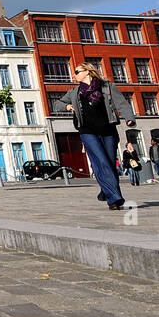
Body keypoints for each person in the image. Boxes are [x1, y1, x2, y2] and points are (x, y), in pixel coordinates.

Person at [60, 62, 136, 211]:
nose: (74, 74)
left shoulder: (107, 87)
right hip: (87, 131)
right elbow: (58, 104)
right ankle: (114, 199)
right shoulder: (74, 92)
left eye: (77, 71)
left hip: (108, 129)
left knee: (109, 163)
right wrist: (67, 106)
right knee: (100, 161)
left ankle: (106, 191)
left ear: (88, 71)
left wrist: (129, 118)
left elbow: (122, 104)